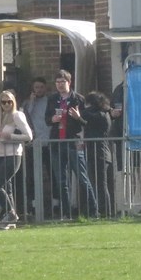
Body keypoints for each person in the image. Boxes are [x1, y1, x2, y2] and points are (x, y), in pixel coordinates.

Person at [45, 70, 98, 219]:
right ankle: (66, 213)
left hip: (73, 142)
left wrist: (79, 117)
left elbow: (86, 123)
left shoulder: (78, 99)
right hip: (57, 142)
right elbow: (47, 119)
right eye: (57, 82)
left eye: (63, 82)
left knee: (82, 177)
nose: (60, 85)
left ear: (69, 82)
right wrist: (53, 119)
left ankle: (93, 211)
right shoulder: (52, 99)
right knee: (61, 180)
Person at [0, 90, 33, 225]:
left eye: (9, 101)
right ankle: (10, 218)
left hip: (13, 155)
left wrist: (11, 137)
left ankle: (10, 213)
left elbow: (29, 136)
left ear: (13, 102)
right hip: (0, 154)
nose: (7, 104)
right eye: (4, 102)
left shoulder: (17, 115)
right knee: (5, 188)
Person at [111, 80, 141, 211]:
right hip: (122, 135)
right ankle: (128, 206)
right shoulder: (118, 89)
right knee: (127, 171)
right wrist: (113, 113)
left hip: (140, 133)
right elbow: (112, 110)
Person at [23, 76, 52, 217]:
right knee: (32, 175)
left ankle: (54, 202)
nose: (39, 90)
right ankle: (33, 203)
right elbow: (25, 117)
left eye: (41, 87)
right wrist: (32, 102)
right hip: (34, 144)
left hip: (49, 142)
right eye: (36, 87)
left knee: (52, 172)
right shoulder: (28, 104)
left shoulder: (49, 102)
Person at [82, 91, 114, 217]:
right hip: (98, 152)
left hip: (100, 153)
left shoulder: (101, 115)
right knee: (99, 184)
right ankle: (103, 211)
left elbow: (87, 117)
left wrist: (79, 117)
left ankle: (106, 211)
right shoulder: (103, 114)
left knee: (101, 184)